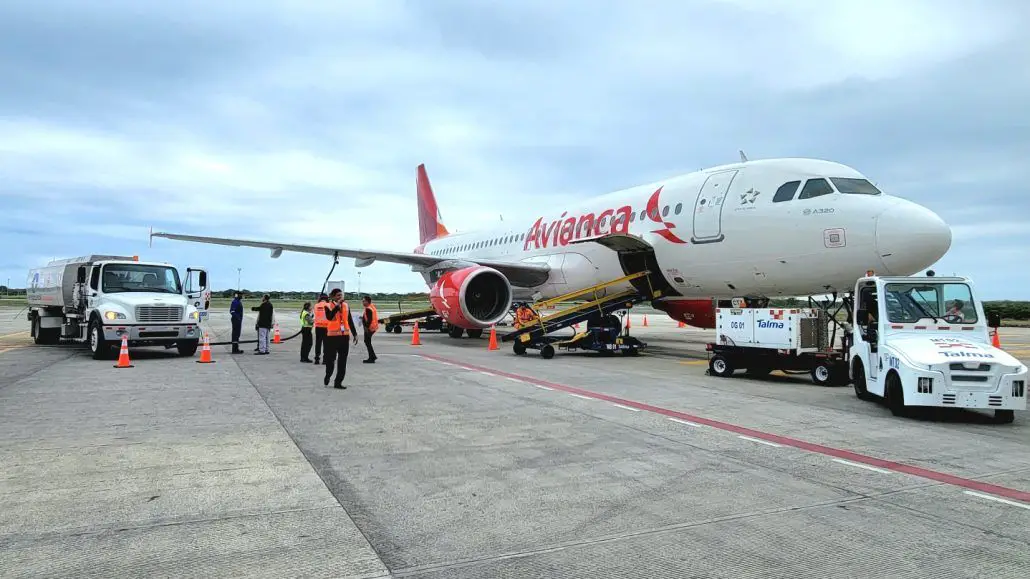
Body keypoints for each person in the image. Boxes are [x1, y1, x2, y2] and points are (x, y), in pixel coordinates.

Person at [323, 289, 358, 388]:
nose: (340, 297)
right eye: (338, 296)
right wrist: (337, 307)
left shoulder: (346, 306)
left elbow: (349, 320)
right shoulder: (327, 305)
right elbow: (329, 317)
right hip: (332, 337)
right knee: (331, 360)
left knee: (342, 361)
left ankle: (338, 382)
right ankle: (328, 375)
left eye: (341, 295)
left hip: (344, 337)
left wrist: (354, 333)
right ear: (333, 297)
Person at [361, 295, 378, 363]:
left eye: (364, 301)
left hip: (369, 328)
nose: (362, 302)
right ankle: (372, 356)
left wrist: (366, 328)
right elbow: (368, 318)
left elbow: (369, 320)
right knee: (367, 342)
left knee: (367, 342)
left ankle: (372, 357)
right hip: (373, 327)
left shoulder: (368, 309)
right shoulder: (371, 307)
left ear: (367, 302)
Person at [313, 293, 329, 364]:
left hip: (318, 327)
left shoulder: (316, 305)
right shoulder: (328, 305)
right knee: (326, 344)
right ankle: (325, 359)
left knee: (318, 343)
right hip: (326, 327)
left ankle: (317, 359)